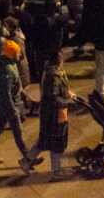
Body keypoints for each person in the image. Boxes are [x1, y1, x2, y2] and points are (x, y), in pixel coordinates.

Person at [0, 40, 40, 173]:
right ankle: (28, 157)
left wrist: (24, 95)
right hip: (9, 105)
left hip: (8, 105)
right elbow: (5, 92)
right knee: (18, 132)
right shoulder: (6, 70)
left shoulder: (11, 64)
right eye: (17, 53)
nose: (19, 55)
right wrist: (12, 109)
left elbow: (17, 84)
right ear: (11, 54)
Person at [25, 48, 75, 180]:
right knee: (56, 142)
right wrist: (66, 103)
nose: (62, 60)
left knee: (44, 140)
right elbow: (53, 97)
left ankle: (26, 161)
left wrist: (69, 94)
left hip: (52, 113)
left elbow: (59, 90)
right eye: (60, 58)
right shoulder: (53, 75)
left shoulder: (54, 71)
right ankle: (56, 171)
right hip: (54, 114)